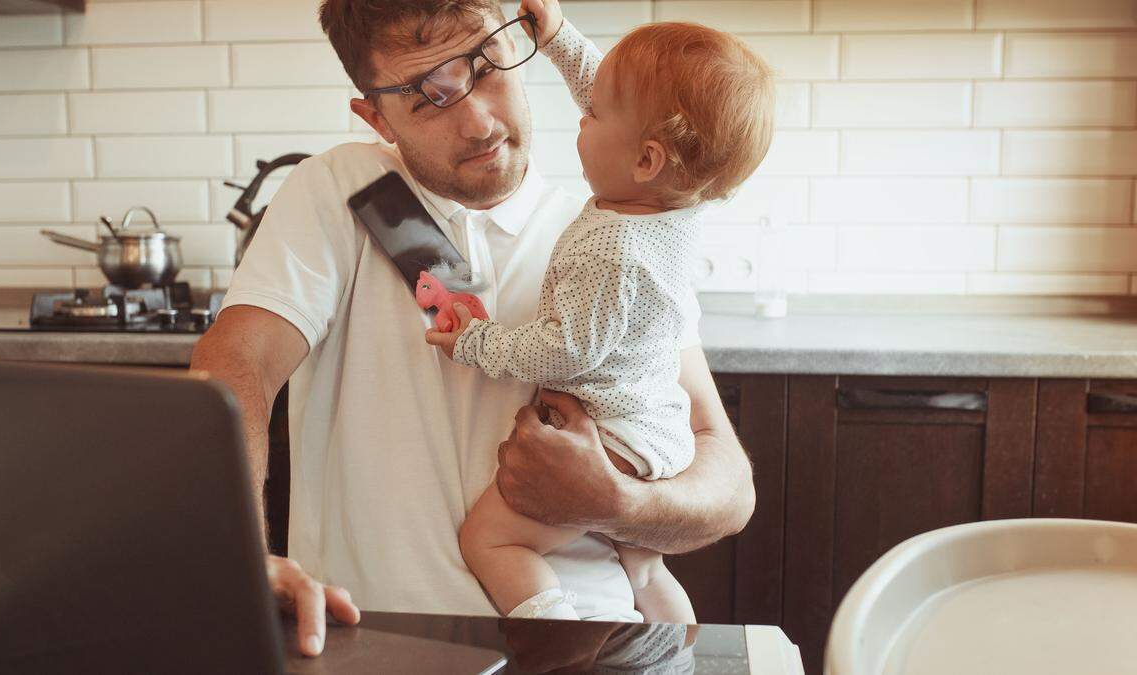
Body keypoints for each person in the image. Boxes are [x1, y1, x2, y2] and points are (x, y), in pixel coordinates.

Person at [188, 0, 756, 657]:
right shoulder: (340, 189)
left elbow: (727, 483)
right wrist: (235, 556)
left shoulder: (618, 234)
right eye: (427, 99)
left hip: (595, 644)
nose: (479, 121)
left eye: (486, 68)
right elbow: (237, 364)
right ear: (376, 117)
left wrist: (615, 501)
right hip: (381, 645)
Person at [425, 0, 774, 624]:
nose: (580, 119)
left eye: (591, 115)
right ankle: (676, 650)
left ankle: (557, 642)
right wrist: (558, 38)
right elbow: (614, 92)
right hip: (658, 428)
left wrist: (478, 341)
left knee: (491, 541)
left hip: (612, 436)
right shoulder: (675, 203)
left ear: (645, 159)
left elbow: (568, 348)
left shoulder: (606, 246)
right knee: (642, 564)